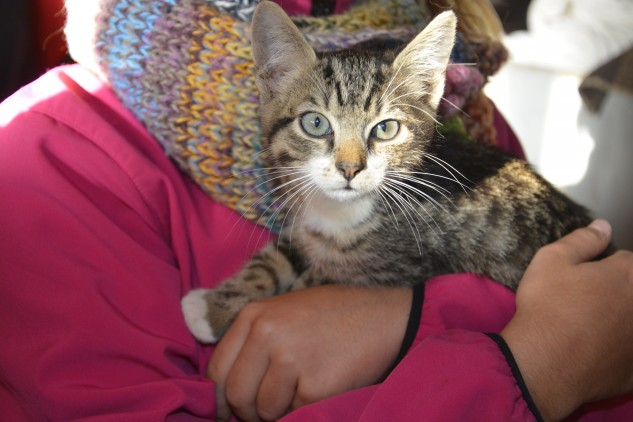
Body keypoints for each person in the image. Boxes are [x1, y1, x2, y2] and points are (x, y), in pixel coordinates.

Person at [1, 1, 633, 421]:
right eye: (316, 125)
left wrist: (404, 316)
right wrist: (531, 367)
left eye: (381, 132)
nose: (351, 164)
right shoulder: (44, 152)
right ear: (273, 79)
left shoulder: (470, 118)